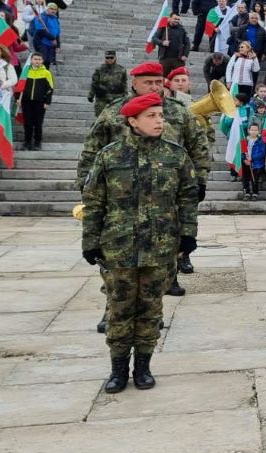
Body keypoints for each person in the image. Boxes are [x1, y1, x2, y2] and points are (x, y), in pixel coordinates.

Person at [81, 93, 198, 394]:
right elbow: (93, 202)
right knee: (119, 310)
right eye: (152, 116)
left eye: (161, 115)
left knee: (151, 309)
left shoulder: (176, 155)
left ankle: (143, 367)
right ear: (132, 121)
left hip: (160, 246)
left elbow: (187, 197)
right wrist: (90, 241)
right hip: (118, 247)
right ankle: (118, 370)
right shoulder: (109, 156)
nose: (160, 120)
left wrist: (188, 234)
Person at [77, 62, 210, 309]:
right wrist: (85, 183)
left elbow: (199, 147)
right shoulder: (113, 111)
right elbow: (92, 148)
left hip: (165, 191)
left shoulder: (180, 112)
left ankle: (163, 288)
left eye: (159, 82)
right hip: (122, 194)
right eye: (148, 82)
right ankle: (113, 308)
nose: (154, 86)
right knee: (117, 256)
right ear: (134, 83)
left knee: (168, 239)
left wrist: (199, 180)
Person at [19, 52, 53, 151]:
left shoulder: (46, 73)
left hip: (40, 102)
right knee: (28, 123)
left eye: (39, 59)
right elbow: (20, 87)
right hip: (26, 101)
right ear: (31, 60)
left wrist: (47, 101)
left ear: (42, 61)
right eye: (35, 59)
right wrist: (18, 98)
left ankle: (37, 143)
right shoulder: (26, 72)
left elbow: (50, 89)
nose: (37, 61)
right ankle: (27, 142)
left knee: (38, 123)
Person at [88, 50, 127, 116]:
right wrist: (90, 95)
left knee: (115, 119)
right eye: (107, 58)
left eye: (111, 58)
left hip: (117, 98)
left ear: (115, 58)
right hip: (102, 98)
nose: (109, 60)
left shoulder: (121, 69)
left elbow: (124, 83)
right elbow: (94, 83)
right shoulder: (99, 69)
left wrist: (125, 96)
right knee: (100, 119)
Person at [30, 4, 62, 68]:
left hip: (51, 44)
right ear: (47, 9)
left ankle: (45, 76)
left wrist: (58, 45)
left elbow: (57, 33)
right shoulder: (41, 17)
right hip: (42, 43)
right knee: (42, 61)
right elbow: (41, 30)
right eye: (51, 9)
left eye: (55, 9)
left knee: (48, 61)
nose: (53, 11)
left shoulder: (56, 19)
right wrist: (52, 38)